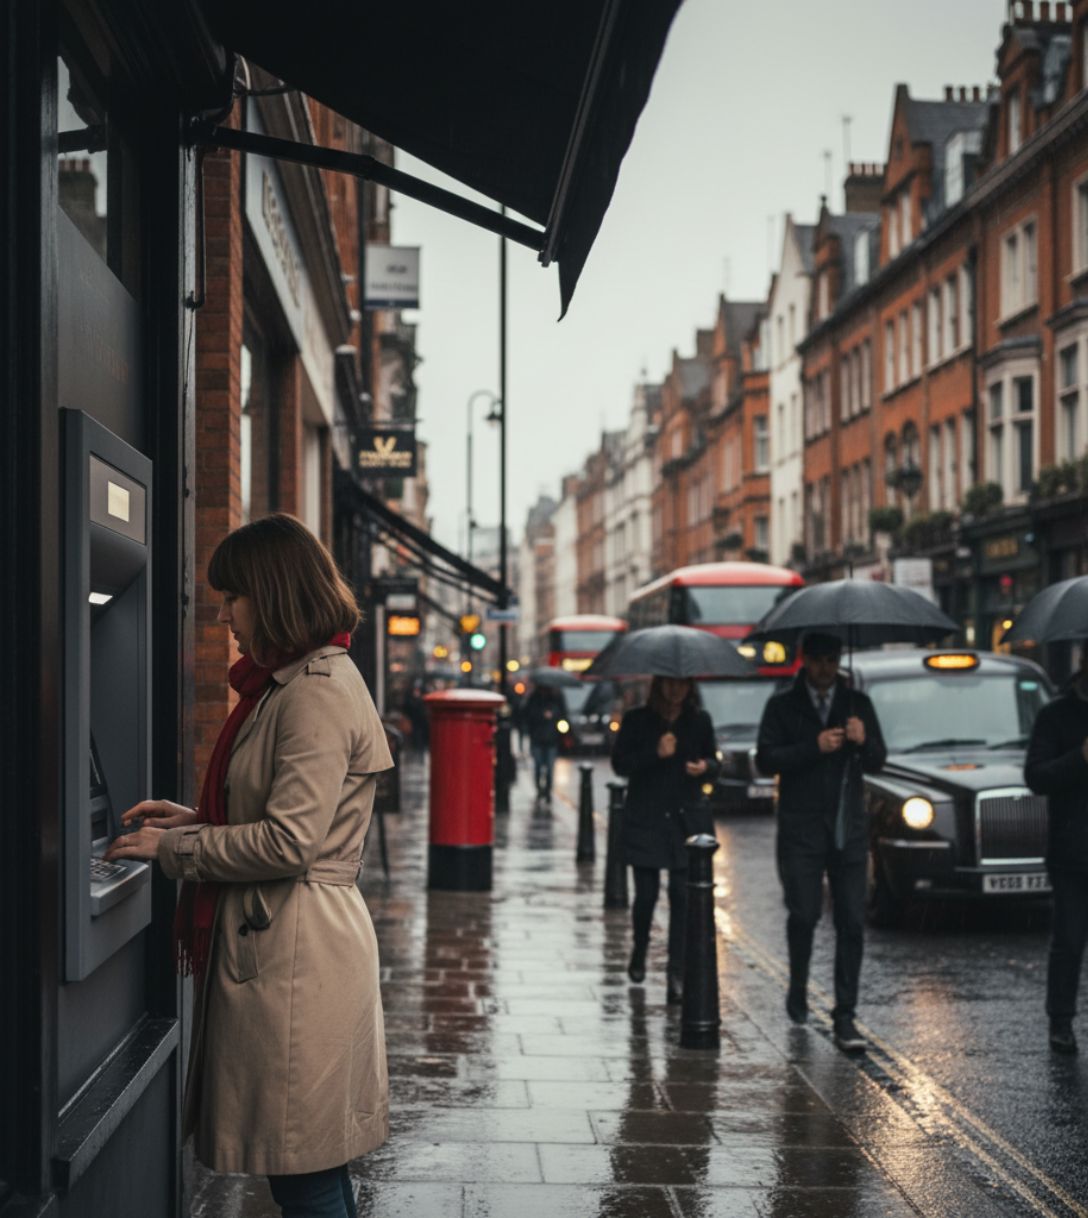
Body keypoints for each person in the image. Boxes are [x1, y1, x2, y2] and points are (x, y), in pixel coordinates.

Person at [105, 513, 392, 1218]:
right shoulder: (291, 684)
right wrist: (194, 821)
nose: (224, 613)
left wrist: (178, 851)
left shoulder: (315, 693)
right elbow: (279, 818)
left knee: (305, 1175)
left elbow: (290, 842)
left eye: (233, 596)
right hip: (289, 943)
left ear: (271, 593)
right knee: (309, 1169)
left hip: (297, 955)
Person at [756, 632, 886, 1053]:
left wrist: (862, 739)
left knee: (851, 919)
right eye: (818, 660)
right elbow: (766, 758)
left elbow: (879, 759)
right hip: (802, 828)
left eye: (832, 660)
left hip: (847, 827)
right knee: (805, 913)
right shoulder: (782, 705)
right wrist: (812, 747)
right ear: (804, 661)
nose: (826, 668)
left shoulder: (856, 704)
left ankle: (845, 1014)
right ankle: (797, 987)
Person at [611, 676, 720, 1004]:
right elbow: (620, 764)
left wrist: (705, 767)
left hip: (685, 820)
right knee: (645, 896)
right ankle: (640, 948)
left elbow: (713, 760)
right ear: (658, 686)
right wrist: (655, 752)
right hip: (646, 819)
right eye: (669, 685)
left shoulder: (699, 721)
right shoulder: (636, 720)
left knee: (682, 898)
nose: (676, 691)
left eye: (682, 685)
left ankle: (676, 971)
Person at [1024, 642, 1088, 1055]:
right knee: (1069, 939)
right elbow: (1036, 776)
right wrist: (1080, 757)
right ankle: (1060, 1021)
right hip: (1073, 851)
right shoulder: (1055, 714)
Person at [524, 681, 565, 802]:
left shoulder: (557, 697)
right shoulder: (534, 698)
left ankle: (547, 790)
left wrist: (553, 715)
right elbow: (527, 715)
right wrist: (541, 715)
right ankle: (539, 789)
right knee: (538, 765)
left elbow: (563, 714)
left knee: (550, 767)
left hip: (551, 738)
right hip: (537, 738)